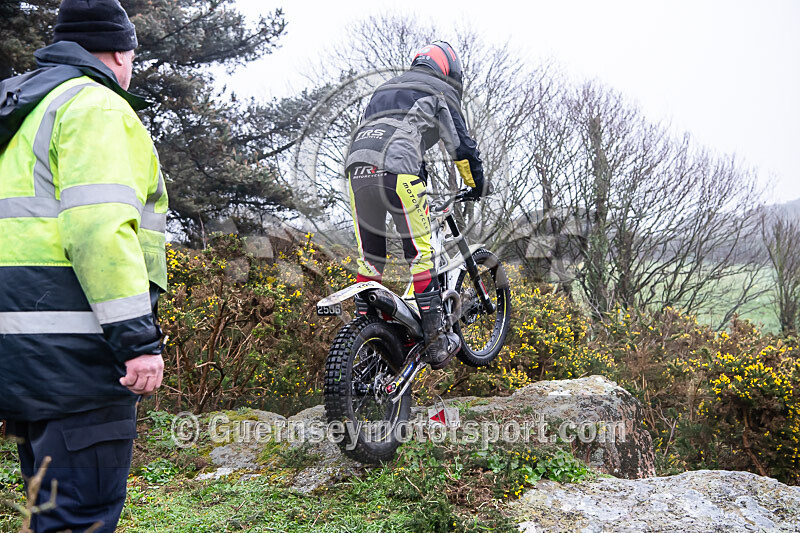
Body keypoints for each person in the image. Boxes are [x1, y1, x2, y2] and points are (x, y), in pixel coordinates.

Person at [0, 1, 168, 530]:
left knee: (46, 513)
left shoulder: (22, 110)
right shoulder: (94, 107)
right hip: (79, 361)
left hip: (20, 360)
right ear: (121, 52)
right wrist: (137, 341)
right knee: (80, 518)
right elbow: (98, 232)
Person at [344, 41, 488, 369]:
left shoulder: (385, 88)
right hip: (397, 173)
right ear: (449, 71)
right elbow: (462, 148)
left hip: (358, 171)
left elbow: (391, 135)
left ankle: (363, 334)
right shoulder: (441, 91)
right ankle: (437, 341)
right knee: (421, 255)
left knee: (371, 259)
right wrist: (477, 183)